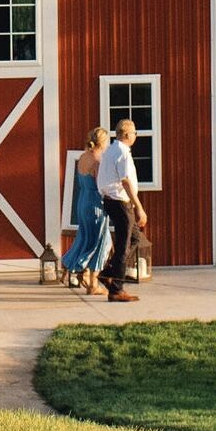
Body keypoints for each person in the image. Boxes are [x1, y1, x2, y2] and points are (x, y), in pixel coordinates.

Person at [96, 117, 144, 302]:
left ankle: (108, 273)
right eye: (134, 133)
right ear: (126, 134)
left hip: (110, 200)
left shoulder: (109, 150)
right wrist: (139, 207)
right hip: (120, 202)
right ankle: (116, 289)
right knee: (124, 244)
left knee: (134, 238)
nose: (135, 136)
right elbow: (125, 181)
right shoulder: (122, 152)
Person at [58, 128, 110, 296]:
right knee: (102, 242)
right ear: (103, 142)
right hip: (95, 203)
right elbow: (101, 185)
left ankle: (70, 265)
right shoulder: (98, 159)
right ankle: (92, 283)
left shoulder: (82, 157)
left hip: (82, 201)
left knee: (84, 237)